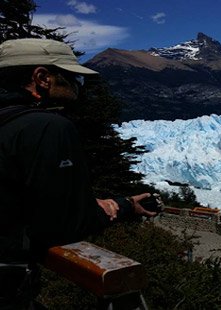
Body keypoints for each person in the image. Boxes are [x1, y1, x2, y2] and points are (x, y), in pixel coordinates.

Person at [0, 38, 156, 309]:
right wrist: (122, 205)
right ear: (42, 77)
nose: (77, 87)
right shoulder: (47, 127)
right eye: (73, 78)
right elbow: (64, 226)